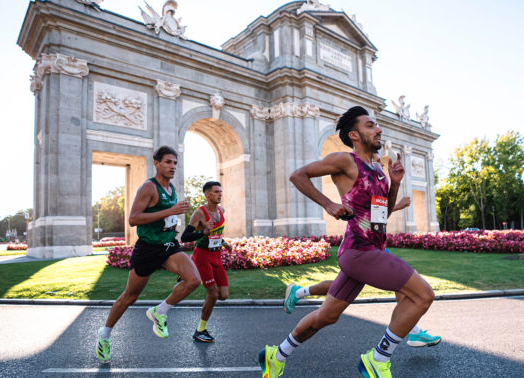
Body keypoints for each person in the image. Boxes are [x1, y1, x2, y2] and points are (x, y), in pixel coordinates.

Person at [259, 106, 436, 377]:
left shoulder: (377, 168)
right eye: (370, 125)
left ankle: (276, 354)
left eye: (376, 125)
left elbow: (382, 215)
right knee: (423, 295)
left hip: (369, 250)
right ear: (354, 134)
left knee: (327, 316)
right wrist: (329, 204)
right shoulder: (345, 161)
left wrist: (395, 183)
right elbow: (298, 175)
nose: (378, 129)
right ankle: (378, 359)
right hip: (360, 252)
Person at [282, 195, 441, 348]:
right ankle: (412, 334)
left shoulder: (375, 177)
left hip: (368, 248)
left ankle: (298, 293)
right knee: (402, 282)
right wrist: (398, 204)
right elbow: (372, 215)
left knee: (343, 290)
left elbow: (378, 215)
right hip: (361, 248)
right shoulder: (364, 180)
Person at [96, 146, 201, 363]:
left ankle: (160, 312)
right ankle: (104, 335)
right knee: (129, 297)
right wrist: (170, 212)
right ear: (157, 163)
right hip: (148, 249)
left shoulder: (171, 189)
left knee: (193, 280)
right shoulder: (148, 188)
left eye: (175, 163)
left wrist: (171, 227)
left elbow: (163, 219)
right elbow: (134, 219)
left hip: (168, 245)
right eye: (168, 162)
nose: (173, 167)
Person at [176, 181, 233, 343]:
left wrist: (224, 243)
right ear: (207, 194)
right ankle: (201, 330)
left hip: (216, 256)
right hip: (202, 255)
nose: (220, 194)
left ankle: (190, 267)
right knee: (213, 294)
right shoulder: (199, 213)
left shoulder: (221, 211)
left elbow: (217, 234)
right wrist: (202, 231)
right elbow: (185, 237)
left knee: (223, 295)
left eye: (220, 191)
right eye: (216, 192)